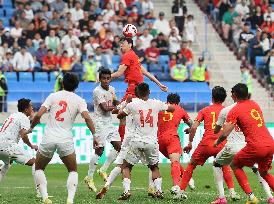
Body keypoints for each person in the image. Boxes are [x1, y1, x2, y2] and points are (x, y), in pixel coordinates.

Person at [30, 73, 97, 204]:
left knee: (38, 168)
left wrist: (32, 127)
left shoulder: (53, 96)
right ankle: (70, 200)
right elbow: (88, 118)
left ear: (62, 83)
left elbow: (38, 115)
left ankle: (45, 197)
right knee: (72, 170)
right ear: (77, 86)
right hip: (65, 139)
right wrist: (94, 136)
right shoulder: (79, 100)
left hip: (48, 137)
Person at [214, 83, 274, 204]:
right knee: (264, 172)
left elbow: (225, 133)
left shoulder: (234, 110)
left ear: (234, 95)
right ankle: (270, 198)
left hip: (255, 145)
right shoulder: (254, 104)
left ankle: (251, 198)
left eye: (232, 93)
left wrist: (217, 141)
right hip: (270, 143)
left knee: (235, 165)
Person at [176, 86, 238, 200]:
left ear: (212, 97)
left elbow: (194, 127)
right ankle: (232, 192)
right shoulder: (228, 111)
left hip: (206, 144)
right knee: (224, 165)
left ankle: (180, 192)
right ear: (224, 99)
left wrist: (190, 142)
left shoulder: (205, 110)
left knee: (191, 165)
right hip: (220, 143)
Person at [116, 83, 175, 200]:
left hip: (136, 141)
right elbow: (172, 108)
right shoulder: (156, 103)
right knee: (154, 168)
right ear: (149, 91)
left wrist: (124, 105)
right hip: (151, 142)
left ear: (137, 93)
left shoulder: (133, 104)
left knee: (127, 167)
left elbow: (119, 115)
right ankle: (159, 190)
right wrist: (161, 108)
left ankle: (126, 191)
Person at [111, 37, 168, 144]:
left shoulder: (128, 55)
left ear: (130, 44)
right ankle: (133, 139)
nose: (121, 46)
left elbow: (119, 73)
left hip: (133, 90)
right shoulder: (134, 57)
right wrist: (159, 84)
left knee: (121, 114)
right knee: (135, 114)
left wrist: (104, 77)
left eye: (122, 43)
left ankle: (122, 143)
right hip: (140, 89)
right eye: (120, 44)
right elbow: (146, 72)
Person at [148, 93, 195, 195]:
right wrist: (190, 129)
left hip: (159, 141)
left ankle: (188, 178)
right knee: (175, 162)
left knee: (174, 161)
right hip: (172, 138)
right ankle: (176, 185)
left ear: (167, 100)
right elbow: (192, 124)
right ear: (178, 102)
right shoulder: (180, 109)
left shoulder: (160, 107)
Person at [84, 69, 121, 193]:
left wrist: (122, 104)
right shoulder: (97, 91)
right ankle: (89, 178)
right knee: (99, 150)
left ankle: (103, 169)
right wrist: (118, 106)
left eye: (108, 78)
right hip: (99, 123)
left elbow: (116, 101)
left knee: (118, 147)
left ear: (110, 79)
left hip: (109, 122)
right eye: (103, 78)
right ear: (100, 79)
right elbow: (105, 108)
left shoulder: (112, 89)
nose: (106, 81)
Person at [0, 98, 38, 195]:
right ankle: (40, 192)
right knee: (35, 163)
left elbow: (22, 131)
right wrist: (31, 146)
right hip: (8, 144)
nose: (32, 108)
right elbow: (23, 135)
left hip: (1, 143)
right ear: (26, 109)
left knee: (7, 164)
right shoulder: (23, 117)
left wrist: (30, 126)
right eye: (31, 106)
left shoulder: (13, 115)